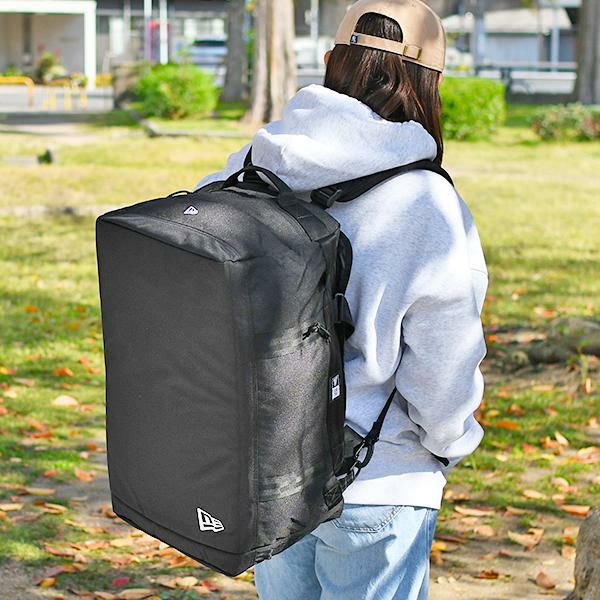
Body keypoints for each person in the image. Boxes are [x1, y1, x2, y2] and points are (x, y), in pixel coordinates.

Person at [194, 1, 488, 598]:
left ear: (331, 60)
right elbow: (443, 363)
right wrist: (449, 445)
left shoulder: (252, 166)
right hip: (380, 479)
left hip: (271, 467)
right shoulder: (425, 203)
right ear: (430, 85)